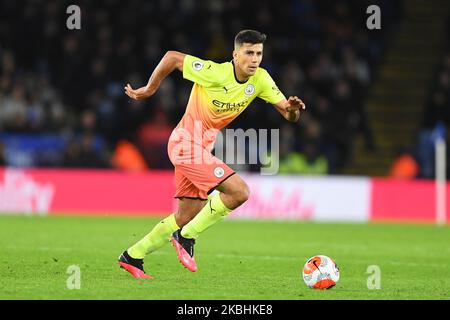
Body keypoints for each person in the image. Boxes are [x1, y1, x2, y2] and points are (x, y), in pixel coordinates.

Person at [118, 30, 306, 279]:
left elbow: (288, 113)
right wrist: (150, 89)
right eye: (249, 53)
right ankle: (186, 237)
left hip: (201, 148)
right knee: (239, 192)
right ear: (235, 54)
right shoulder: (215, 72)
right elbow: (172, 57)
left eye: (259, 53)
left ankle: (133, 256)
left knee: (186, 215)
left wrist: (292, 110)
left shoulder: (260, 79)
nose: (255, 59)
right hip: (185, 144)